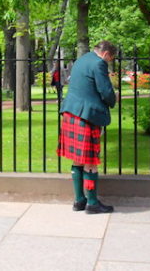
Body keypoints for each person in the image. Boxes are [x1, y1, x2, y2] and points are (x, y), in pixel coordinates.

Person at [57, 40, 117, 214]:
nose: (108, 62)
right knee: (90, 161)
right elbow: (105, 91)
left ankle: (79, 201)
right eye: (110, 59)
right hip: (86, 116)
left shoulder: (82, 59)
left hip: (71, 112)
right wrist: (113, 99)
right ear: (106, 54)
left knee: (77, 158)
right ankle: (92, 203)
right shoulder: (99, 63)